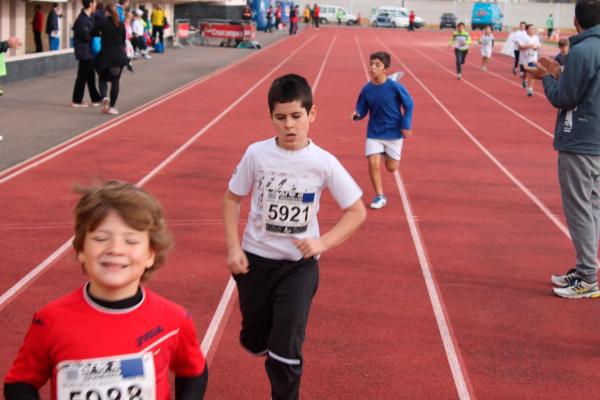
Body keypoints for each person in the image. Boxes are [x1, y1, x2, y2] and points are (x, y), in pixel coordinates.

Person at [223, 74, 366, 400]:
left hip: (298, 266)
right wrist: (233, 248)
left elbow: (357, 211)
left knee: (286, 347)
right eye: (281, 117)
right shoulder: (256, 154)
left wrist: (322, 243)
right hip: (254, 262)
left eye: (296, 116)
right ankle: (261, 342)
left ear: (311, 114)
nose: (289, 125)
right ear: (271, 117)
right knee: (255, 340)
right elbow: (231, 200)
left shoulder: (323, 162)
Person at [3, 180, 208, 399]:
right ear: (81, 249)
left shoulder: (174, 320)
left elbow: (194, 371)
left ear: (150, 255)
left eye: (131, 240)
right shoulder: (50, 321)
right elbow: (20, 383)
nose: (115, 249)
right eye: (101, 238)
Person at [530, 0, 600, 299]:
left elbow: (565, 98)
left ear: (576, 21)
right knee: (593, 207)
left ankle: (587, 277)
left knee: (579, 210)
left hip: (581, 139)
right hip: (596, 140)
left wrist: (545, 77)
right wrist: (561, 72)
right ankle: (585, 267)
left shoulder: (583, 51)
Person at [352, 52, 414, 209]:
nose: (372, 67)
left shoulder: (396, 87)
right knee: (373, 161)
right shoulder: (367, 88)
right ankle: (380, 196)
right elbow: (362, 107)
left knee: (392, 168)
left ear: (385, 69)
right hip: (374, 132)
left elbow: (409, 105)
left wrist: (406, 124)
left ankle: (385, 153)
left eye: (377, 65)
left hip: (393, 132)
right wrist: (358, 114)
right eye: (371, 64)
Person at [96, 3, 129, 115]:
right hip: (119, 56)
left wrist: (101, 33)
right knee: (115, 81)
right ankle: (112, 107)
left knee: (102, 79)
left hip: (105, 56)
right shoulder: (121, 24)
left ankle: (104, 97)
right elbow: (124, 39)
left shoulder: (102, 24)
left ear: (106, 12)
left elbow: (92, 32)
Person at [72, 0, 103, 108]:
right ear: (90, 4)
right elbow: (86, 36)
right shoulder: (82, 20)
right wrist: (96, 35)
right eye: (94, 3)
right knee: (82, 76)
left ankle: (96, 99)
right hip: (84, 51)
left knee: (90, 75)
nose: (96, 5)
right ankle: (77, 100)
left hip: (88, 52)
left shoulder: (90, 17)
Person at [520, 23, 540, 96]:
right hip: (525, 58)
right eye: (531, 28)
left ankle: (530, 88)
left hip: (533, 58)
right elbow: (520, 47)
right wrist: (529, 46)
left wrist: (536, 48)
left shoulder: (536, 37)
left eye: (533, 28)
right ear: (527, 30)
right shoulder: (524, 37)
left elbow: (538, 47)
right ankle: (524, 80)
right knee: (525, 73)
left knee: (532, 72)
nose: (533, 30)